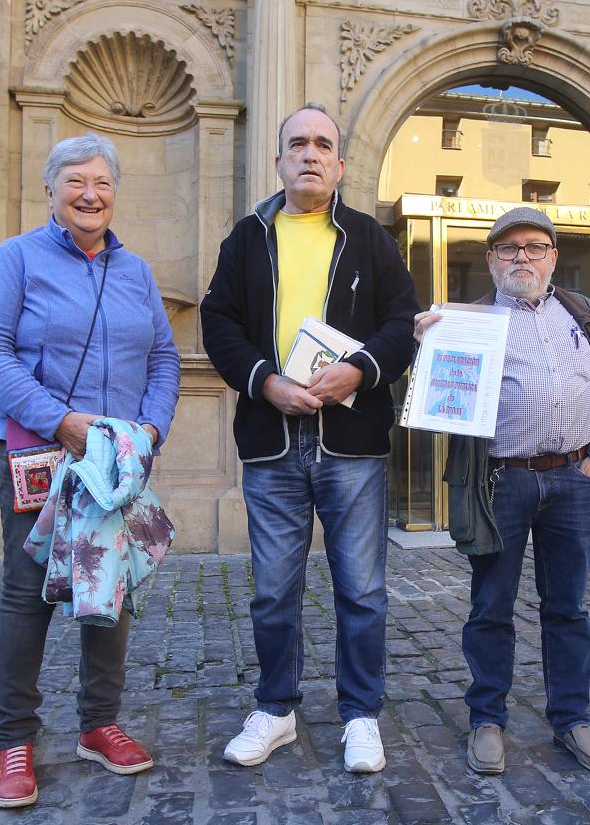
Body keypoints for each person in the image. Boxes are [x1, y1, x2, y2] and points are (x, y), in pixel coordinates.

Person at [200, 103, 417, 773]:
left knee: (362, 590)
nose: (311, 154)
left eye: (324, 144)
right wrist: (265, 381)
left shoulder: (369, 238)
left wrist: (358, 368)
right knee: (273, 591)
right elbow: (218, 322)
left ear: (341, 164)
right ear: (279, 160)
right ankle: (275, 710)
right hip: (272, 441)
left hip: (351, 443)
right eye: (298, 143)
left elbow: (403, 319)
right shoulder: (247, 238)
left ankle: (360, 715)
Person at [0, 133, 180, 808]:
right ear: (52, 189)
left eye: (103, 183)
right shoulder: (18, 258)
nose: (91, 194)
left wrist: (150, 429)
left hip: (113, 463)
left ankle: (98, 724)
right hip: (39, 452)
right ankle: (15, 739)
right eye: (76, 182)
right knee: (27, 593)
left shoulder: (137, 271)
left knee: (107, 592)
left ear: (115, 192)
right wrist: (59, 420)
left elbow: (165, 359)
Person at [413, 207, 590, 775]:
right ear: (490, 259)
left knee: (569, 609)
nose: (522, 258)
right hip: (500, 481)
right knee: (491, 607)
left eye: (534, 248)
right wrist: (430, 352)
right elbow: (441, 410)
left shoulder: (585, 317)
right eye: (508, 249)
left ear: (554, 257)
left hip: (573, 479)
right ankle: (487, 720)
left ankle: (572, 720)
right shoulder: (467, 322)